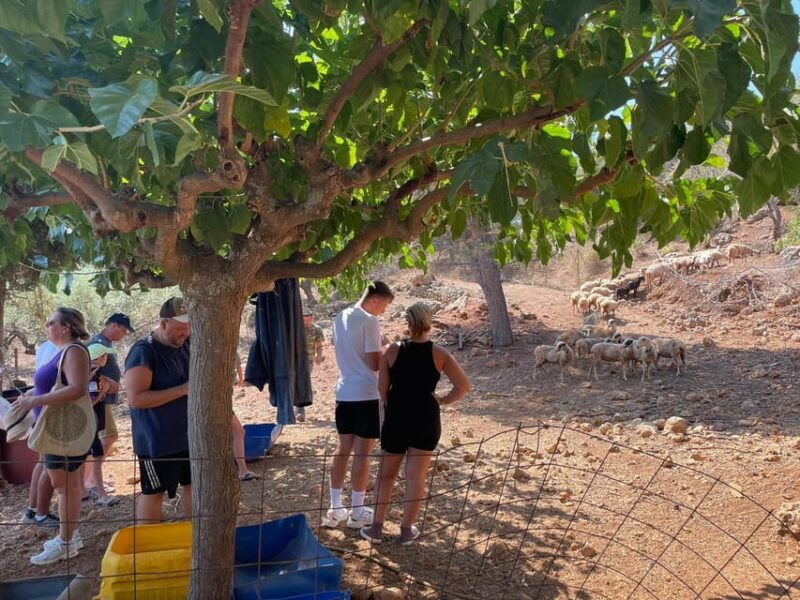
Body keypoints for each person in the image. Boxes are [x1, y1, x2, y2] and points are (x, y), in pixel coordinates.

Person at [360, 303, 471, 545]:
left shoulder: (392, 351)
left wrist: (394, 406)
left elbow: (382, 389)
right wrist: (442, 400)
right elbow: (463, 387)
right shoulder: (440, 353)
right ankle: (406, 530)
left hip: (398, 418)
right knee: (416, 478)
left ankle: (376, 529)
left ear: (407, 323)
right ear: (429, 323)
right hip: (427, 419)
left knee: (386, 476)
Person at [10, 308, 93, 564]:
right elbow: (54, 385)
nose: (46, 326)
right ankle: (70, 536)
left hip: (62, 431)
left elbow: (77, 389)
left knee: (66, 487)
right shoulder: (64, 351)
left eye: (50, 322)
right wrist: (30, 396)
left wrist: (35, 399)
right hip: (57, 430)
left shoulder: (74, 351)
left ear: (66, 327)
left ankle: (66, 542)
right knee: (69, 485)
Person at [324, 281, 394, 529]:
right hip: (366, 392)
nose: (382, 312)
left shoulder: (340, 316)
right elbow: (376, 363)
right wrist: (386, 347)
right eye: (383, 306)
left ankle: (335, 507)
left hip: (344, 391)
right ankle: (356, 511)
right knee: (363, 452)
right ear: (375, 300)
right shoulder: (369, 320)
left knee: (343, 448)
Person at [125, 297, 191, 523]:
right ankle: (146, 549)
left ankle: (196, 540)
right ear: (164, 324)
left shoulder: (187, 343)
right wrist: (182, 390)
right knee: (154, 492)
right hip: (157, 441)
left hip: (189, 436)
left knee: (193, 484)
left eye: (189, 327)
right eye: (181, 328)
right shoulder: (143, 352)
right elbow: (136, 399)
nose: (186, 333)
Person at [84, 313, 133, 502]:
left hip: (103, 399)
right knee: (106, 438)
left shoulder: (103, 342)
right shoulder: (97, 344)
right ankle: (91, 482)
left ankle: (92, 481)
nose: (124, 334)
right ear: (114, 325)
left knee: (102, 440)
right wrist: (103, 390)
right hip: (99, 402)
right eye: (123, 330)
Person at [84, 343, 119, 507]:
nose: (107, 358)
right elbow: (91, 401)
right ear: (100, 358)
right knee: (97, 457)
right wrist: (103, 391)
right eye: (105, 356)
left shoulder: (90, 374)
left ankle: (84, 492)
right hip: (91, 424)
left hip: (89, 425)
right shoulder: (93, 376)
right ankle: (101, 495)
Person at [298, 307, 325, 423]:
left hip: (308, 361)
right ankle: (295, 409)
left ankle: (300, 409)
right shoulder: (296, 329)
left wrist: (319, 356)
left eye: (309, 320)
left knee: (303, 382)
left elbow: (319, 345)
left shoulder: (317, 329)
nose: (307, 323)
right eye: (305, 321)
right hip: (295, 361)